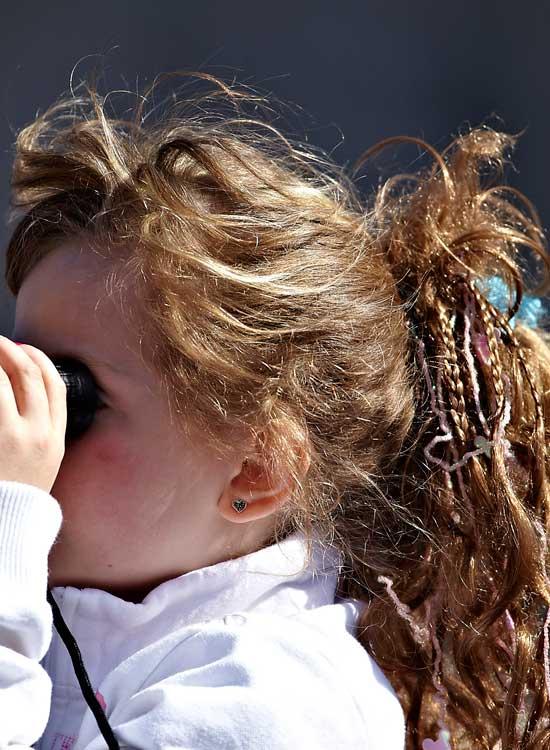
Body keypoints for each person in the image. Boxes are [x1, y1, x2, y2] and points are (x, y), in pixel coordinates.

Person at [0, 72, 548, 750]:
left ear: (257, 472)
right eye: (18, 370)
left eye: (68, 390)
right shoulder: (49, 625)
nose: (23, 424)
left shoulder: (273, 702)